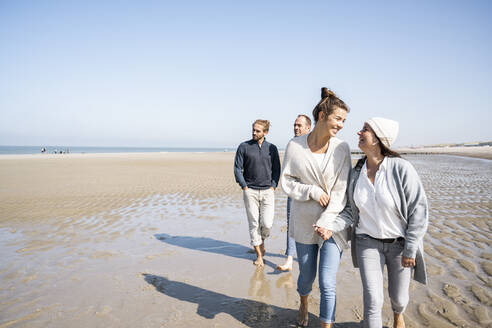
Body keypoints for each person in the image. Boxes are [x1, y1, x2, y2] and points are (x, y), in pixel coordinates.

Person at [341, 118, 428, 328]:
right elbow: (350, 212)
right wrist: (328, 225)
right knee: (373, 300)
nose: (359, 133)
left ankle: (398, 314)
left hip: (399, 245)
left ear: (379, 139)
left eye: (365, 130)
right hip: (366, 242)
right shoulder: (356, 172)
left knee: (399, 298)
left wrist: (410, 248)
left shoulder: (401, 168)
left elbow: (419, 210)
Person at [280, 88, 352, 327]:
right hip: (304, 222)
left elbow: (341, 193)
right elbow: (287, 182)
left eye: (344, 120)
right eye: (338, 119)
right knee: (306, 277)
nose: (341, 125)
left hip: (333, 224)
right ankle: (303, 303)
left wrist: (327, 221)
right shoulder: (295, 146)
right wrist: (312, 191)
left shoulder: (342, 149)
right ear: (322, 115)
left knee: (327, 282)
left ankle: (325, 324)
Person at [234, 119, 281, 267]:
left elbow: (277, 169)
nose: (254, 133)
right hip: (250, 191)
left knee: (266, 223)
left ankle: (262, 241)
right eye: (253, 130)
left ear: (265, 132)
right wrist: (244, 187)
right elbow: (237, 168)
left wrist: (273, 186)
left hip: (268, 191)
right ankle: (259, 255)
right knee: (254, 223)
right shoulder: (244, 147)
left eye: (258, 131)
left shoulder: (272, 148)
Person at [277, 114, 311, 272]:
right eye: (295, 125)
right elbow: (286, 171)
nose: (296, 128)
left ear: (308, 128)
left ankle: (312, 257)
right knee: (292, 225)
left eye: (299, 125)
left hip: (313, 193)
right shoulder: (291, 144)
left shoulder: (314, 144)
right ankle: (289, 259)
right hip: (294, 192)